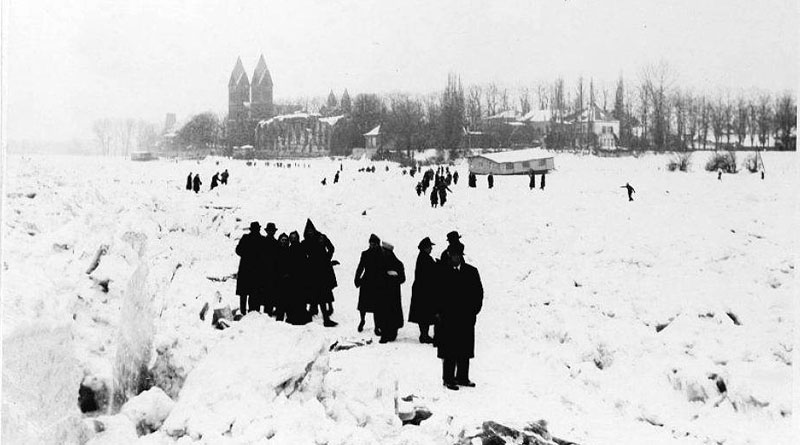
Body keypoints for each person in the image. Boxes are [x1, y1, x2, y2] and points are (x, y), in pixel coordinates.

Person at [435, 243, 483, 390]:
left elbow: (478, 293)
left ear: (461, 256)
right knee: (449, 349)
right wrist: (438, 312)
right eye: (452, 255)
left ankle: (462, 377)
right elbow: (435, 293)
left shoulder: (471, 272)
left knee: (464, 347)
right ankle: (448, 378)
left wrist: (473, 311)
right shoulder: (442, 271)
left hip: (465, 317)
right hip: (447, 317)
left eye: (457, 255)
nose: (454, 258)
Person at [302, 219, 338, 327]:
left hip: (323, 269)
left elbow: (331, 248)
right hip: (312, 270)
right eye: (308, 231)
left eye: (311, 230)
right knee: (314, 291)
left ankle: (326, 316)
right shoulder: (305, 242)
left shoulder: (321, 237)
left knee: (324, 291)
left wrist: (327, 258)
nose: (310, 232)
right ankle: (314, 310)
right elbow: (302, 254)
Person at [354, 234, 385, 334]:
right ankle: (362, 320)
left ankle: (377, 326)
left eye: (374, 244)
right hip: (366, 282)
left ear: (378, 244)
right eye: (371, 244)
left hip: (378, 283)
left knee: (377, 307)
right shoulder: (365, 254)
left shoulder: (382, 254)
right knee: (363, 305)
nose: (372, 246)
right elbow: (360, 267)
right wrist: (357, 279)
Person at [376, 241, 405, 343]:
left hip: (391, 293)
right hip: (387, 293)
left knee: (389, 313)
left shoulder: (396, 263)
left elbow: (402, 278)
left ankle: (390, 333)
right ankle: (387, 334)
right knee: (387, 313)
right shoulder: (382, 262)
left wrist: (393, 277)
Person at [409, 237, 437, 344]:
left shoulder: (422, 257)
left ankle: (424, 335)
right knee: (425, 314)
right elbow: (431, 273)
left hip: (420, 290)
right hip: (424, 291)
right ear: (425, 248)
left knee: (423, 314)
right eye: (430, 247)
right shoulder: (425, 258)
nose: (431, 249)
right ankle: (424, 335)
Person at [235, 222, 266, 315]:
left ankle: (247, 312)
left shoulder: (246, 238)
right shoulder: (260, 239)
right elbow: (238, 250)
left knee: (248, 293)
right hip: (254, 270)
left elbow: (238, 250)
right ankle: (251, 312)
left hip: (248, 269)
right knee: (252, 293)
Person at [285, 231, 311, 325]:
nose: (293, 239)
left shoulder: (301, 248)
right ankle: (294, 317)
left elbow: (304, 262)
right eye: (291, 237)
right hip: (292, 279)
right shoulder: (289, 248)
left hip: (300, 278)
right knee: (294, 298)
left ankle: (300, 317)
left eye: (294, 237)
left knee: (300, 298)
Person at [260, 222, 279, 315]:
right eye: (269, 231)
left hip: (273, 272)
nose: (271, 232)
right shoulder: (263, 242)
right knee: (265, 292)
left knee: (271, 292)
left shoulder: (276, 243)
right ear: (267, 231)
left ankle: (269, 311)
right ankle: (266, 312)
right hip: (264, 271)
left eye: (272, 231)